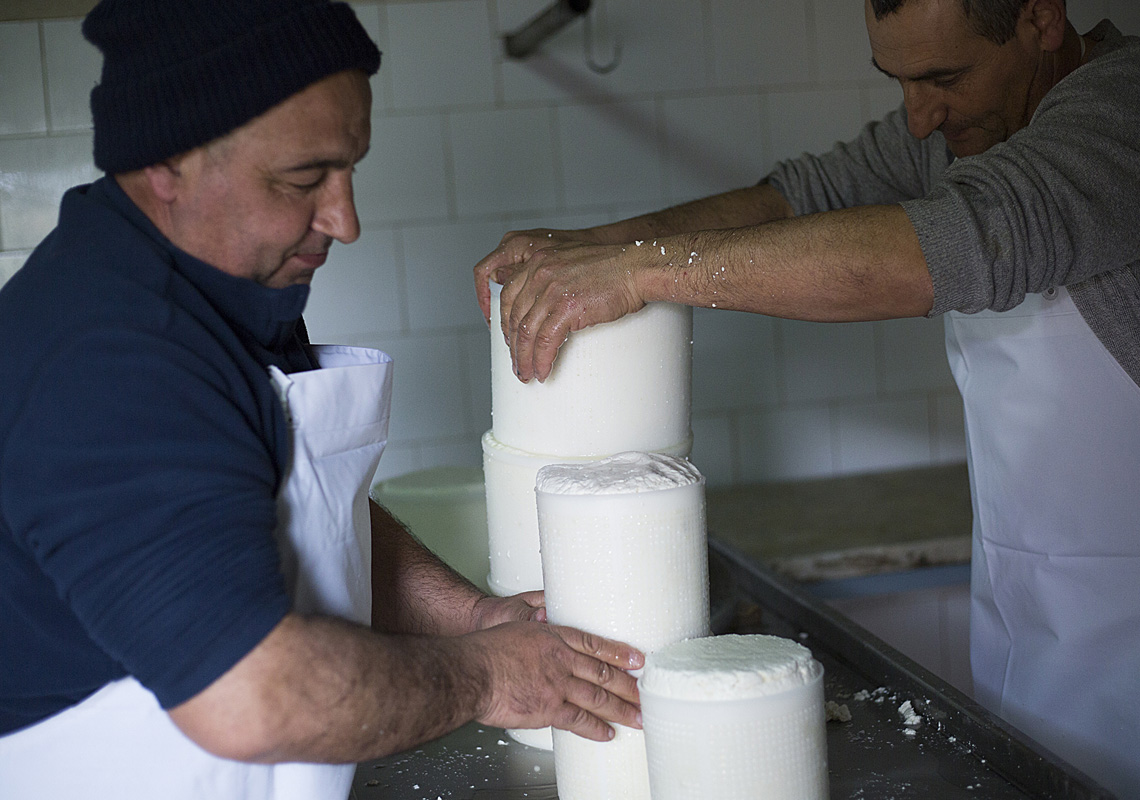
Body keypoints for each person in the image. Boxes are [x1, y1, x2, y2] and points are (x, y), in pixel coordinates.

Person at [475, 0, 1140, 794]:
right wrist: (602, 247)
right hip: (1034, 608)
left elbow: (943, 248)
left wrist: (639, 273)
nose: (919, 119)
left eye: (943, 77)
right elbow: (806, 195)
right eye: (896, 80)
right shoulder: (987, 119)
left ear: (1041, 17)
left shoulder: (1120, 113)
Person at [0, 1, 642, 798]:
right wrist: (485, 678)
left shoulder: (222, 286)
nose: (345, 219)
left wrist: (473, 620)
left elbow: (295, 508)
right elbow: (251, 699)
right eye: (304, 179)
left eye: (350, 169)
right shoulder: (111, 359)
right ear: (167, 163)